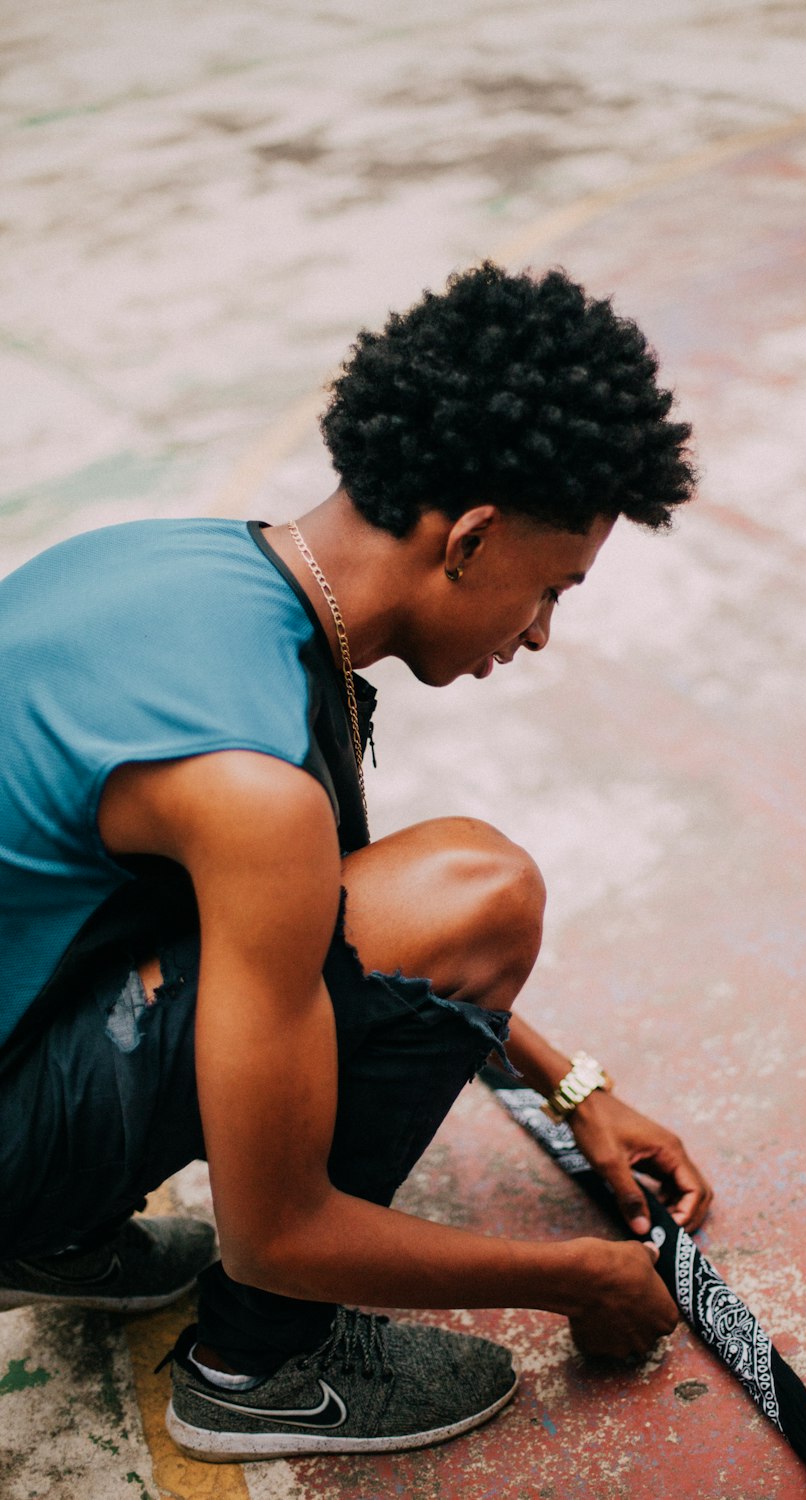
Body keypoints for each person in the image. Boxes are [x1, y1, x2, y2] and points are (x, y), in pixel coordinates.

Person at [0, 262, 711, 1462]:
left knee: (416, 903)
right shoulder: (251, 784)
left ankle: (45, 1239)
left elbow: (322, 935)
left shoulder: (189, 567)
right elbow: (275, 1235)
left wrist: (570, 1086)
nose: (539, 633)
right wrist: (574, 1280)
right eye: (549, 589)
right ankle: (255, 1371)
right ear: (472, 539)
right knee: (479, 892)